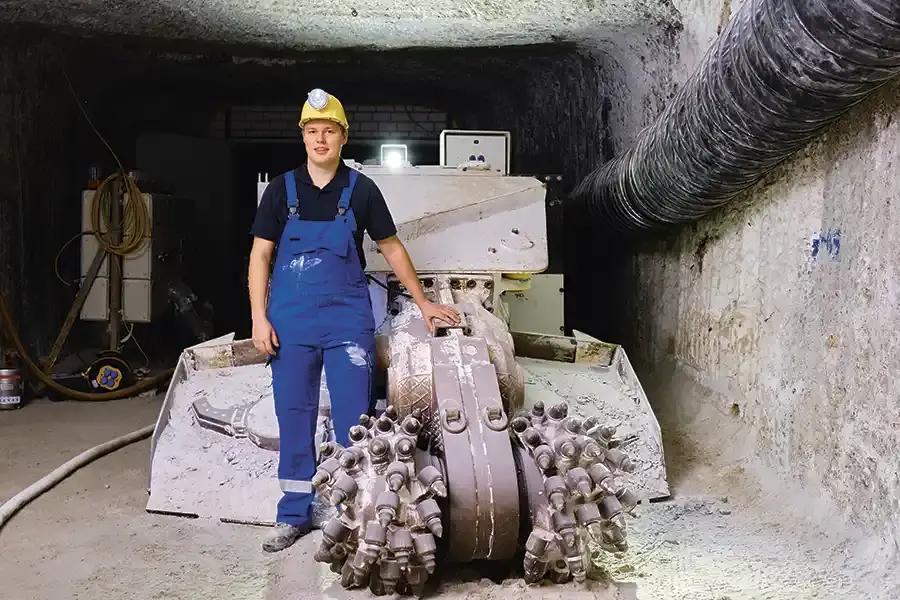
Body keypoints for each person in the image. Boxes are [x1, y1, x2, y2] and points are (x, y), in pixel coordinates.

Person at [248, 88, 460, 553]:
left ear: (344, 137)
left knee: (355, 424)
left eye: (329, 131)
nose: (319, 139)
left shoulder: (361, 190)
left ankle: (354, 516)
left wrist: (423, 304)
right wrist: (258, 318)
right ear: (302, 137)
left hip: (347, 325)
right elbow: (260, 255)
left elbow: (392, 248)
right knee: (295, 416)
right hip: (291, 324)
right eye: (311, 131)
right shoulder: (281, 191)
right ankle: (293, 515)